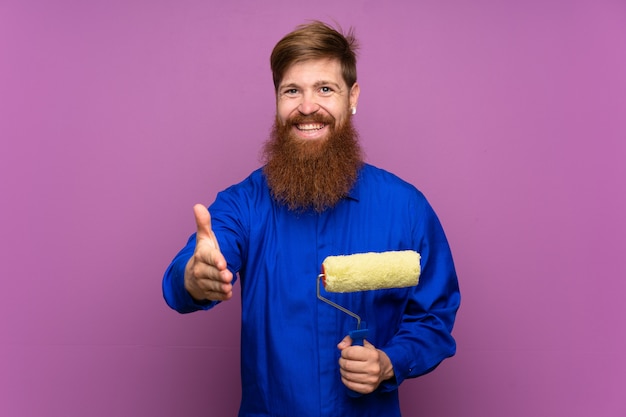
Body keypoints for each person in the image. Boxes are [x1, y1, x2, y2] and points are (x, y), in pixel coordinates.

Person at [163, 20, 460, 417]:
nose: (307, 107)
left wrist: (390, 362)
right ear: (276, 100)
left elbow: (435, 316)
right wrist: (196, 276)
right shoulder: (245, 204)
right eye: (292, 91)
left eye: (325, 89)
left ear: (352, 97)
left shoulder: (406, 208)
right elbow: (191, 267)